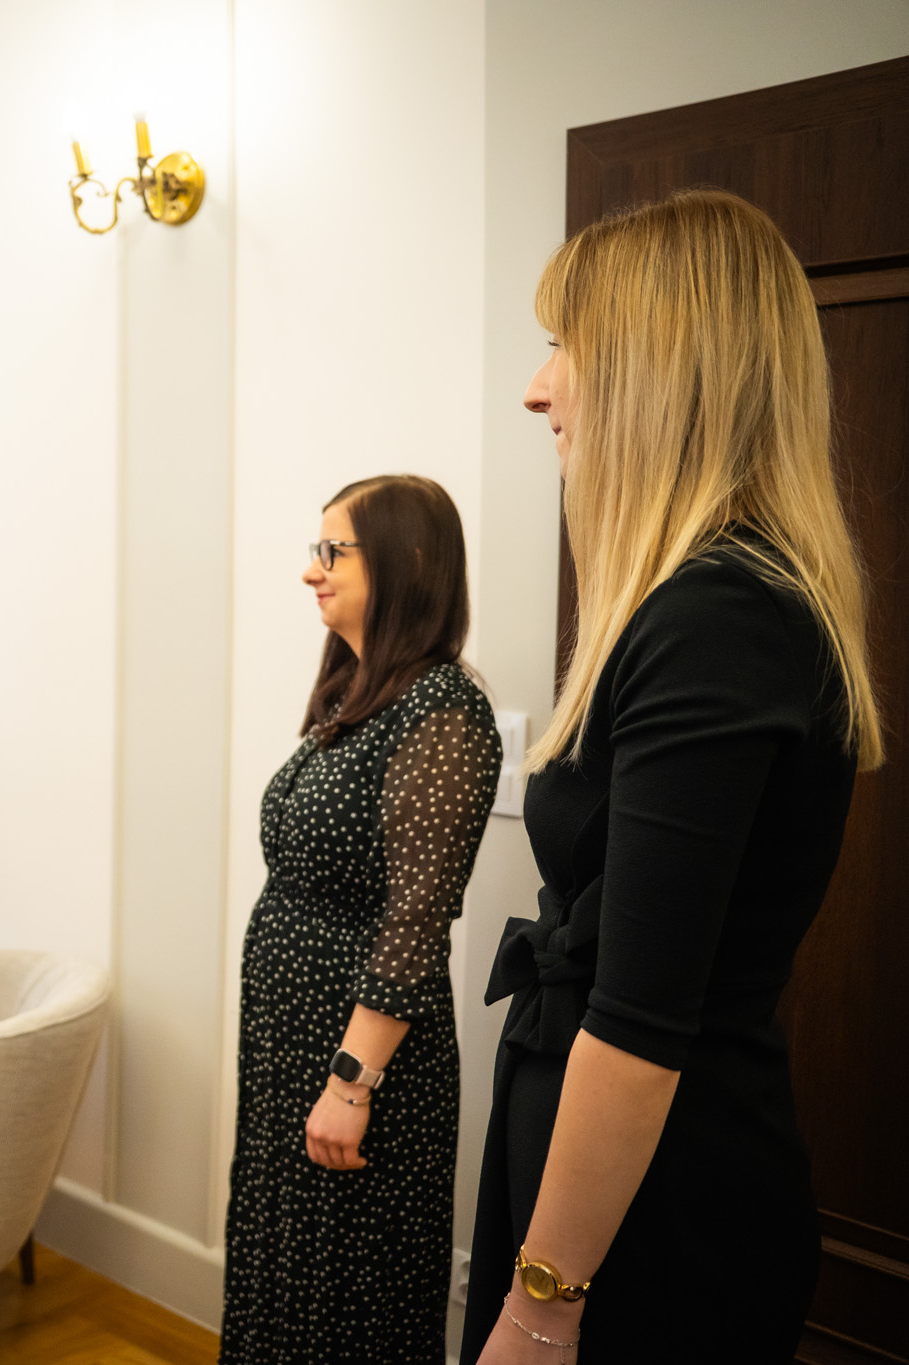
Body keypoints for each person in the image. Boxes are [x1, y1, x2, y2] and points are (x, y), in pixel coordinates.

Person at [462, 190, 882, 1364]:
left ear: (658, 372)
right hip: (611, 1196)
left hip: (651, 1227)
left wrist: (539, 1310)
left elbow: (639, 1024)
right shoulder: (707, 601)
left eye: (564, 345)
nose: (536, 388)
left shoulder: (717, 617)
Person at [221, 474, 501, 1364]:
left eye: (332, 550)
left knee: (345, 1304)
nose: (312, 570)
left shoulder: (443, 707)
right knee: (282, 1284)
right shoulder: (354, 690)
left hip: (361, 1065)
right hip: (290, 1046)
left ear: (407, 559)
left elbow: (416, 920)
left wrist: (350, 1082)